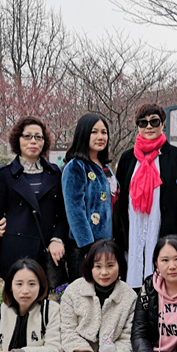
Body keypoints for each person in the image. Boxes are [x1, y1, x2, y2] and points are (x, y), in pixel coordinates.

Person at [114, 103, 177, 288]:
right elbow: (121, 200)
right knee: (132, 275)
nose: (148, 126)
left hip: (163, 228)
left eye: (154, 121)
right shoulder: (127, 158)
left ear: (162, 123)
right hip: (133, 229)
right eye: (143, 122)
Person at [0, 116, 68, 290]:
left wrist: (58, 239)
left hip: (46, 251)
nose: (33, 141)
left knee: (45, 302)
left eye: (38, 137)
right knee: (17, 301)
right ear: (18, 139)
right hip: (15, 251)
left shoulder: (55, 173)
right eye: (27, 136)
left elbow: (63, 214)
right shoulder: (3, 175)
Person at [61, 113, 113, 280]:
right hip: (84, 248)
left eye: (104, 132)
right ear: (83, 134)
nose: (100, 137)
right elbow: (75, 209)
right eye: (94, 132)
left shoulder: (105, 167)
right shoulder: (76, 167)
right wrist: (88, 247)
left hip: (105, 245)